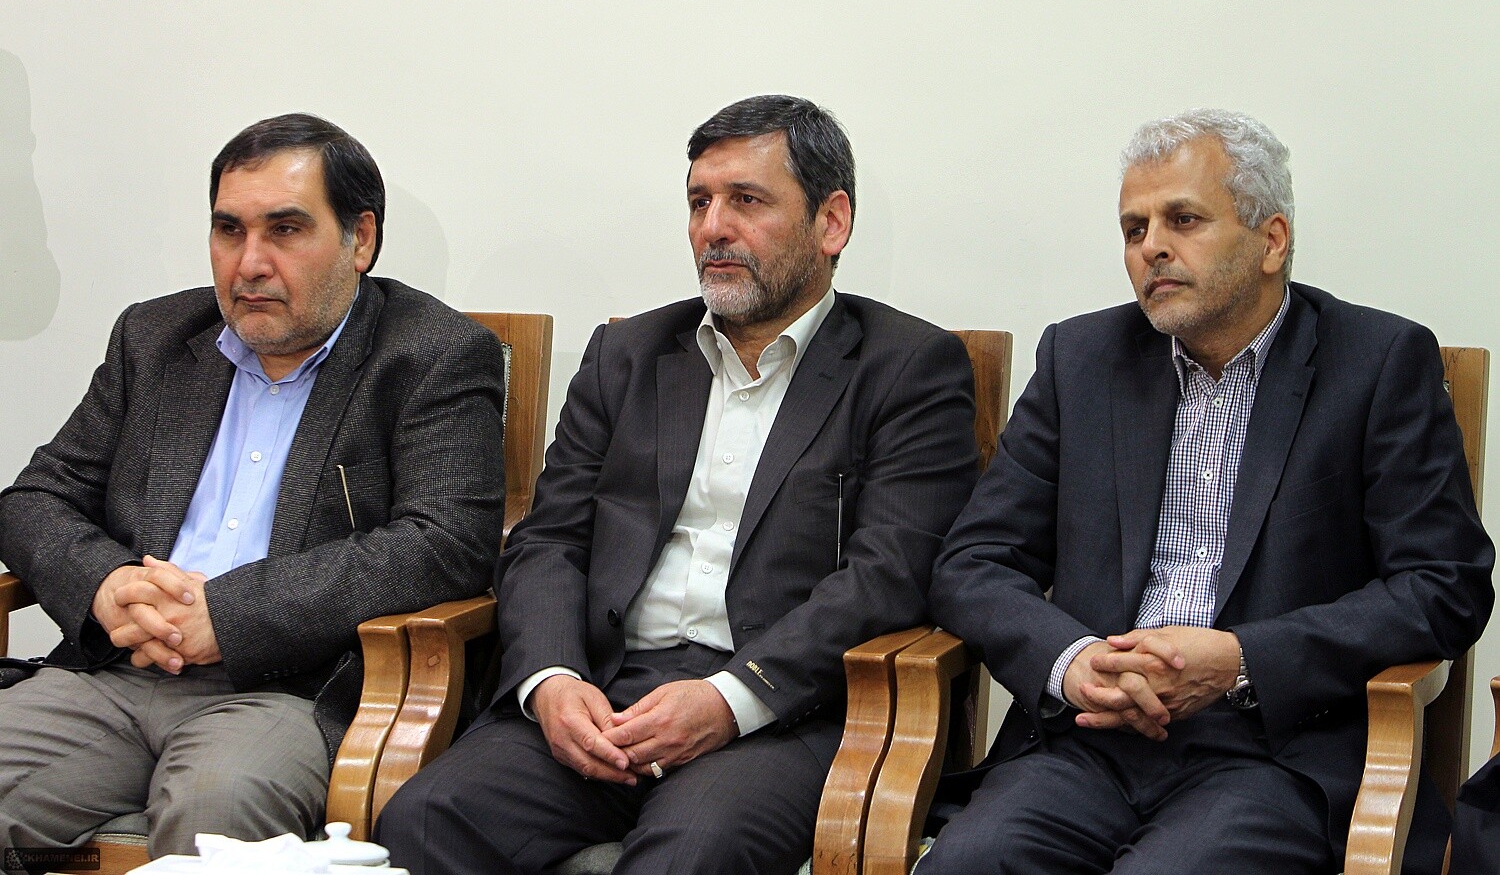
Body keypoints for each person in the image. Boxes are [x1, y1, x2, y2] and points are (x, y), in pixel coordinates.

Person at [376, 95, 980, 875]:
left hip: (778, 711)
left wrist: (730, 697)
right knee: (425, 820)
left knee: (687, 856)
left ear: (831, 222)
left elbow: (889, 575)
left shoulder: (907, 368)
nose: (712, 228)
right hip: (605, 687)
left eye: (746, 201)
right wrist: (552, 679)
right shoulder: (627, 355)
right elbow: (549, 540)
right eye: (699, 202)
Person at [921, 109, 1494, 875]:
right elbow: (974, 562)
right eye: (1134, 228)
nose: (1151, 246)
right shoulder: (1082, 359)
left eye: (1183, 219)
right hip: (1090, 740)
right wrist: (1071, 660)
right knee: (971, 862)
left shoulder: (1378, 362)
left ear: (1272, 240)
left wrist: (1243, 658)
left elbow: (1444, 586)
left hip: (1274, 752)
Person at [0, 113, 506, 856]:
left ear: (361, 240)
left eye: (286, 230)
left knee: (216, 820)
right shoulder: (156, 337)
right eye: (229, 230)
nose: (250, 264)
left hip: (285, 692)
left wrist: (232, 615)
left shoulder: (434, 354)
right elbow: (36, 499)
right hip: (111, 675)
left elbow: (445, 544)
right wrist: (106, 584)